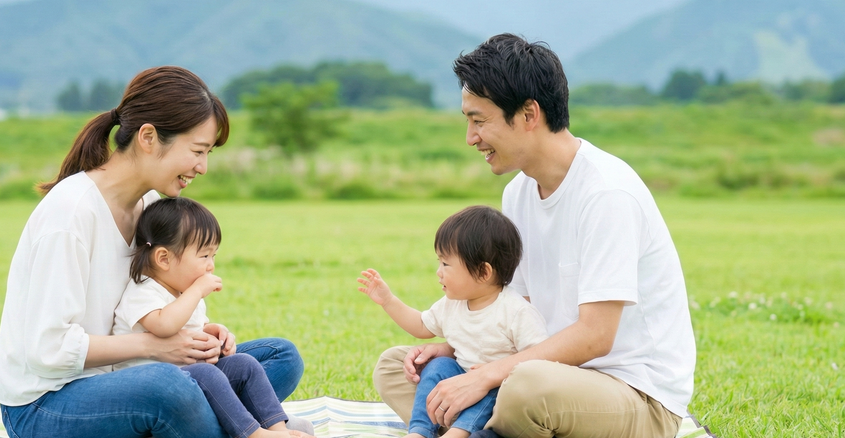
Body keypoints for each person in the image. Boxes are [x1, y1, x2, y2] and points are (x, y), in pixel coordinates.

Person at [372, 34, 696, 438]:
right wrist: (455, 347)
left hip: (632, 393)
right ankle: (484, 427)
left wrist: (487, 375)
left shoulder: (606, 193)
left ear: (528, 114)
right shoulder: (518, 193)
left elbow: (596, 337)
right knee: (399, 366)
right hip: (542, 371)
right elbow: (511, 312)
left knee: (524, 388)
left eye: (479, 121)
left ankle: (479, 424)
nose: (470, 138)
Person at [0, 66, 309, 438]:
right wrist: (155, 347)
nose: (203, 167)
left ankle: (229, 425)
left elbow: (149, 304)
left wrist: (197, 335)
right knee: (168, 387)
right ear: (148, 137)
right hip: (48, 404)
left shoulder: (147, 205)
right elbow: (48, 351)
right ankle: (245, 426)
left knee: (279, 357)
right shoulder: (71, 213)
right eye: (197, 151)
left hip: (130, 373)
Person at [113, 196, 311, 438]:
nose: (211, 265)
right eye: (204, 256)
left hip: (195, 379)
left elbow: (191, 328)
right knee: (208, 374)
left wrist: (213, 333)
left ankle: (277, 429)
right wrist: (197, 291)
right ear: (164, 259)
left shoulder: (184, 291)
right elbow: (164, 325)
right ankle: (253, 433)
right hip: (159, 389)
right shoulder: (143, 291)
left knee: (245, 364)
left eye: (213, 255)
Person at [358, 206, 548, 438]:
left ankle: (458, 433)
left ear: (483, 272)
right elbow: (421, 325)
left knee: (495, 390)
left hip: (499, 400)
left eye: (446, 264)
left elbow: (539, 363)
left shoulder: (516, 312)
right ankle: (420, 430)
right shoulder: (452, 304)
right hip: (460, 387)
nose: (439, 272)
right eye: (439, 262)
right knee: (438, 366)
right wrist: (388, 301)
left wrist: (494, 375)